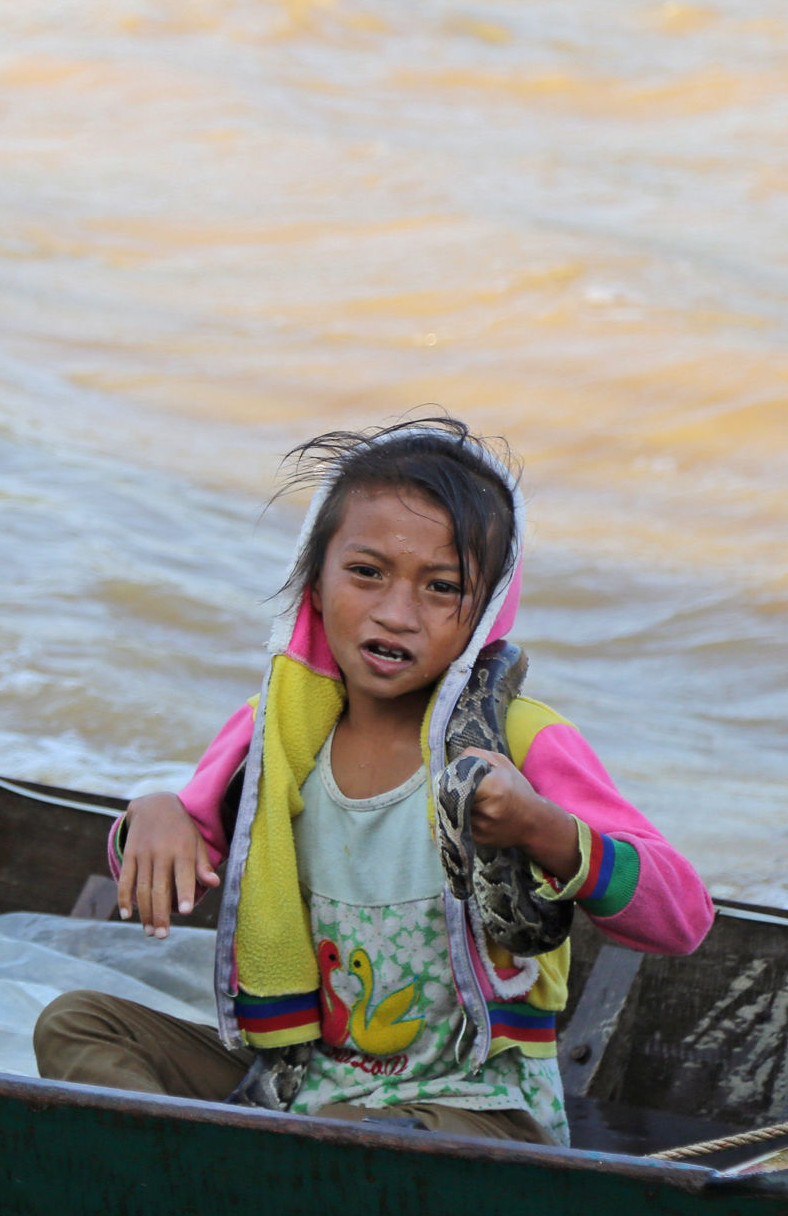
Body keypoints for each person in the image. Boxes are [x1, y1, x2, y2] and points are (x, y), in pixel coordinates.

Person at [35, 416, 713, 1144]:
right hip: (304, 1079)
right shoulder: (273, 734)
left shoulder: (520, 740)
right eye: (366, 572)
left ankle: (226, 1175)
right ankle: (207, 1174)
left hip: (473, 1105)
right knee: (76, 1024)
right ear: (314, 586)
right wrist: (155, 813)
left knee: (352, 1135)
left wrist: (539, 827)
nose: (397, 613)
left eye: (441, 587)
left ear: (484, 612)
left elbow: (681, 918)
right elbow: (166, 867)